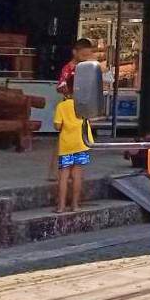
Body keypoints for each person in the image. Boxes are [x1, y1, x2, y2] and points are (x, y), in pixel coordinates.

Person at [48, 38, 97, 181]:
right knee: (63, 140)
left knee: (82, 139)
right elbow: (60, 86)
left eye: (87, 56)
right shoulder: (68, 68)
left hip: (83, 107)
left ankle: (76, 171)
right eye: (83, 55)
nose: (85, 58)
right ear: (74, 52)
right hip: (69, 107)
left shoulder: (88, 68)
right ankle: (55, 172)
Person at [54, 69, 94, 214]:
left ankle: (61, 206)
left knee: (64, 176)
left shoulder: (61, 106)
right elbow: (90, 120)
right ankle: (75, 205)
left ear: (67, 89)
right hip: (82, 143)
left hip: (66, 145)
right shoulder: (83, 104)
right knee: (77, 175)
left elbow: (58, 126)